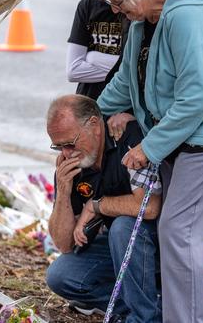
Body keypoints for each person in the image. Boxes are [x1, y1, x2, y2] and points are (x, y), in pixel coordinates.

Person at [85, 0, 203, 322]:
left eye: (117, 1)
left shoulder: (184, 17)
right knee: (179, 235)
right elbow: (125, 83)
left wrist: (149, 148)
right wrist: (89, 120)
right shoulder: (142, 22)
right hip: (179, 139)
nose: (116, 10)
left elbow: (196, 99)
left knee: (180, 235)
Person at [45, 94, 163, 323]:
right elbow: (63, 243)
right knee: (61, 276)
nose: (67, 153)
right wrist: (63, 191)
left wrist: (98, 205)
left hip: (156, 240)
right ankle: (152, 311)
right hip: (117, 245)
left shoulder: (125, 137)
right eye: (58, 146)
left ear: (94, 125)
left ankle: (143, 317)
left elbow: (150, 207)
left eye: (70, 143)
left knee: (122, 227)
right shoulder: (70, 166)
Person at [66, 0, 198, 100]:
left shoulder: (174, 13)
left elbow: (192, 96)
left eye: (113, 0)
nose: (114, 10)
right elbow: (128, 73)